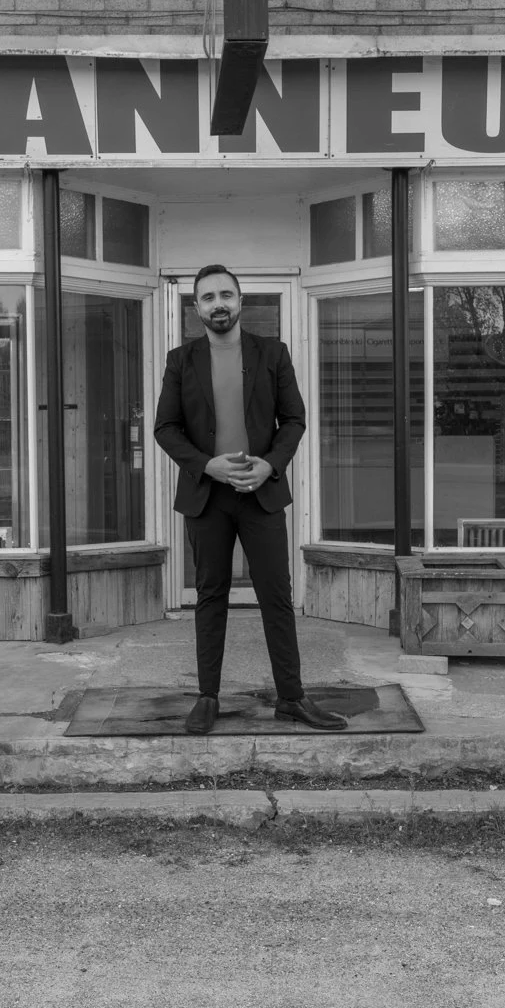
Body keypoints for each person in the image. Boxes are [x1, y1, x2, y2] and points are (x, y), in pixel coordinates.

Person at [154, 265, 346, 734]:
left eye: (225, 295)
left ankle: (292, 698)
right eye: (207, 298)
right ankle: (207, 696)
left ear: (240, 301)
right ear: (196, 307)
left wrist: (270, 465)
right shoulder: (181, 360)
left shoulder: (272, 353)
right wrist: (206, 464)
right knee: (210, 596)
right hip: (208, 498)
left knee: (276, 598)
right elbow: (165, 428)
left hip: (261, 497)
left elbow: (294, 419)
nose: (217, 304)